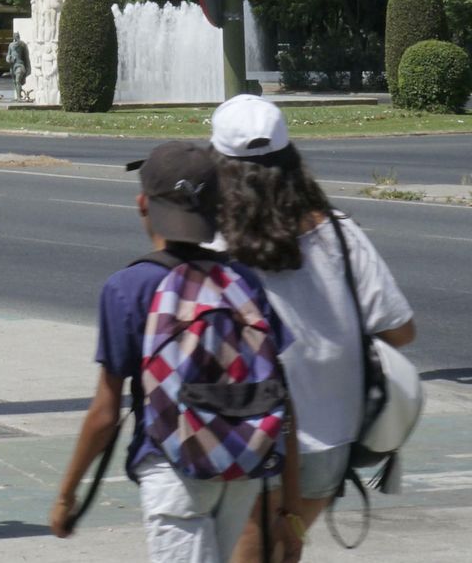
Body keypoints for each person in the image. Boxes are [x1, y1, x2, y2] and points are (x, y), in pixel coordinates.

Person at [49, 140, 300, 563]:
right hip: (241, 466)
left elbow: (105, 412)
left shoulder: (127, 288)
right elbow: (285, 399)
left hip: (173, 468)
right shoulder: (242, 281)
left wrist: (67, 494)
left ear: (143, 204)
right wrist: (288, 509)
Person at [209, 95, 416, 563]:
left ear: (220, 167)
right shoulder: (339, 233)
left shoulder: (213, 242)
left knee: (250, 545)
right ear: (292, 162)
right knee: (285, 548)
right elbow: (401, 331)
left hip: (243, 430)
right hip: (330, 434)